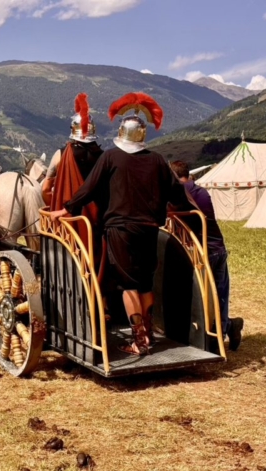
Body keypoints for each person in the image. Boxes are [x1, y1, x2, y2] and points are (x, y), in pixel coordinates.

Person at [51, 92, 189, 356]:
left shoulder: (112, 157)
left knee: (129, 286)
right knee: (145, 283)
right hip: (150, 229)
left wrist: (66, 209)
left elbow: (89, 188)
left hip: (120, 230)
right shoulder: (157, 160)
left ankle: (139, 341)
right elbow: (176, 193)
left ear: (121, 133)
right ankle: (148, 333)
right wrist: (183, 212)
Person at [169, 161, 244, 351]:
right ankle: (226, 328)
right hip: (217, 246)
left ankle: (213, 337)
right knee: (219, 295)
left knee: (201, 296)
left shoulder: (180, 193)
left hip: (201, 251)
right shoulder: (200, 191)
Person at [42, 93, 104, 207]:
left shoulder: (61, 154)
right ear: (93, 130)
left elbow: (46, 189)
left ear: (73, 129)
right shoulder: (104, 156)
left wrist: (54, 208)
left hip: (67, 213)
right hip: (98, 213)